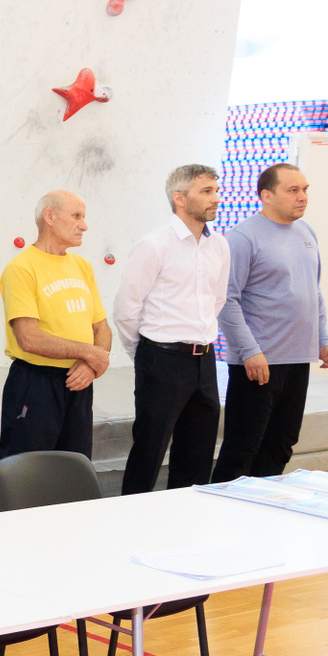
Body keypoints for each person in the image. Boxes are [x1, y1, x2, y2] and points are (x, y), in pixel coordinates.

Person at [212, 164, 328, 481]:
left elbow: (313, 291)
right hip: (259, 362)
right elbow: (226, 300)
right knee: (243, 448)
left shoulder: (307, 233)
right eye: (293, 190)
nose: (302, 197)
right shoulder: (242, 238)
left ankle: (263, 504)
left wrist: (323, 339)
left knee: (281, 444)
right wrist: (250, 351)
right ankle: (225, 505)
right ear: (266, 195)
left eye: (305, 189)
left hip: (298, 358)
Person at [112, 164, 231, 494]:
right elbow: (126, 309)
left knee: (198, 454)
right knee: (149, 451)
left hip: (204, 360)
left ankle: (187, 520)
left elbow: (217, 300)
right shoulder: (154, 245)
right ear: (180, 198)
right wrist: (145, 354)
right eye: (206, 191)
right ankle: (132, 515)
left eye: (216, 190)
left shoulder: (219, 245)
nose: (216, 198)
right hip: (162, 359)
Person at [0, 190, 111, 459]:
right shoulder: (21, 268)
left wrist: (90, 365)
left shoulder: (83, 266)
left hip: (79, 382)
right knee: (28, 469)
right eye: (76, 216)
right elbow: (28, 338)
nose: (84, 225)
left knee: (74, 466)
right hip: (36, 384)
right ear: (50, 216)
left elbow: (101, 329)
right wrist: (90, 354)